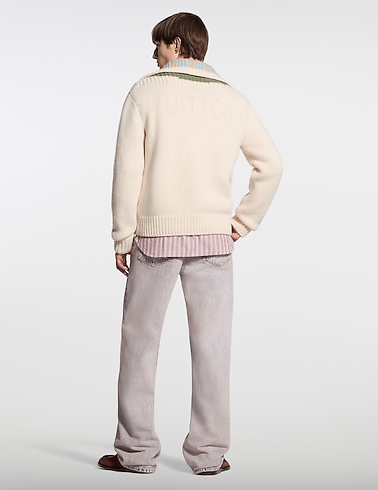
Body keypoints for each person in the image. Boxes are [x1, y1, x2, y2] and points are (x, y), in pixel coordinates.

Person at [98, 12, 283, 476]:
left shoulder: (145, 92)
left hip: (154, 239)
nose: (154, 53)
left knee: (139, 343)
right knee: (213, 347)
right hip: (214, 240)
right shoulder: (233, 99)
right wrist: (242, 222)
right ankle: (208, 455)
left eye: (159, 45)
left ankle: (135, 452)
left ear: (178, 45)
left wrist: (122, 234)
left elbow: (127, 169)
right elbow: (271, 165)